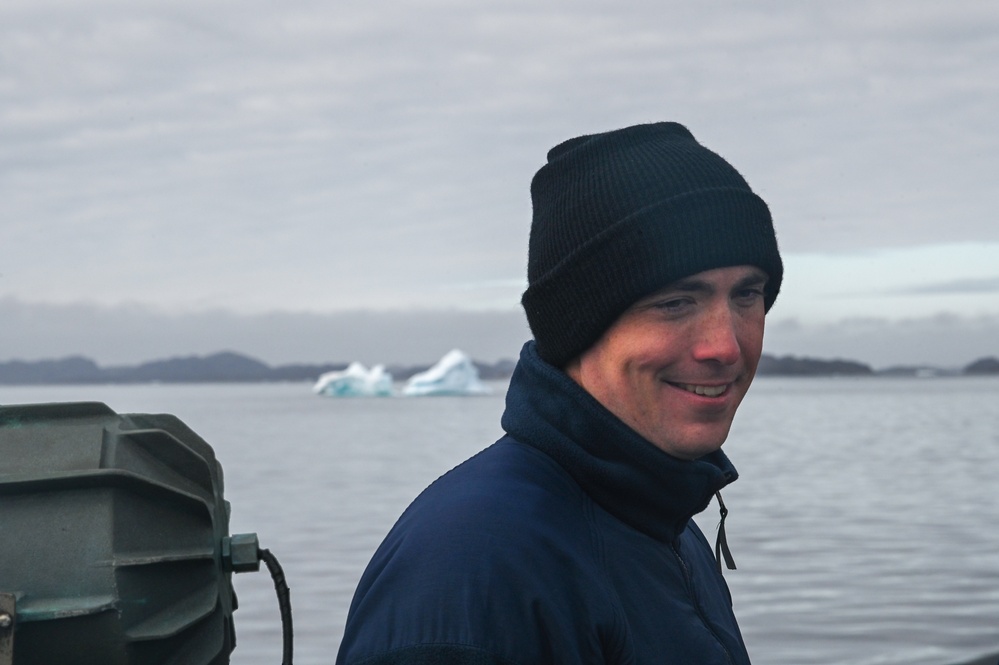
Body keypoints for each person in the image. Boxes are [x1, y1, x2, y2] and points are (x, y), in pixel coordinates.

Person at [335, 121, 783, 665]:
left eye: (747, 294)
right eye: (675, 302)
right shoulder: (481, 571)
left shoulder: (660, 520)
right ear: (579, 324)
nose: (726, 346)